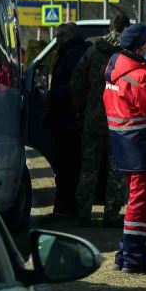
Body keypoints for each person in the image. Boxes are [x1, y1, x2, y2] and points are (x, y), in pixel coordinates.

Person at [104, 23, 146, 274]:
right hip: (144, 145)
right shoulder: (141, 76)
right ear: (140, 46)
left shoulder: (115, 68)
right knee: (142, 204)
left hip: (125, 144)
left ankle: (125, 253)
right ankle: (133, 258)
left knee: (136, 201)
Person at [70, 15, 130, 228]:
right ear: (124, 28)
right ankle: (111, 214)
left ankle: (84, 213)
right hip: (118, 120)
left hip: (93, 119)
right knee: (115, 170)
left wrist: (80, 109)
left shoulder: (92, 51)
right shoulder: (125, 54)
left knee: (89, 169)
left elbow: (76, 82)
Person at [48, 22, 91, 220]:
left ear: (66, 37)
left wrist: (52, 96)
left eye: (58, 36)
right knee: (71, 166)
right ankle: (68, 207)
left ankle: (67, 208)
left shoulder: (72, 55)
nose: (57, 40)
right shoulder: (78, 52)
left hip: (69, 120)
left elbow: (72, 88)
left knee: (67, 167)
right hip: (74, 119)